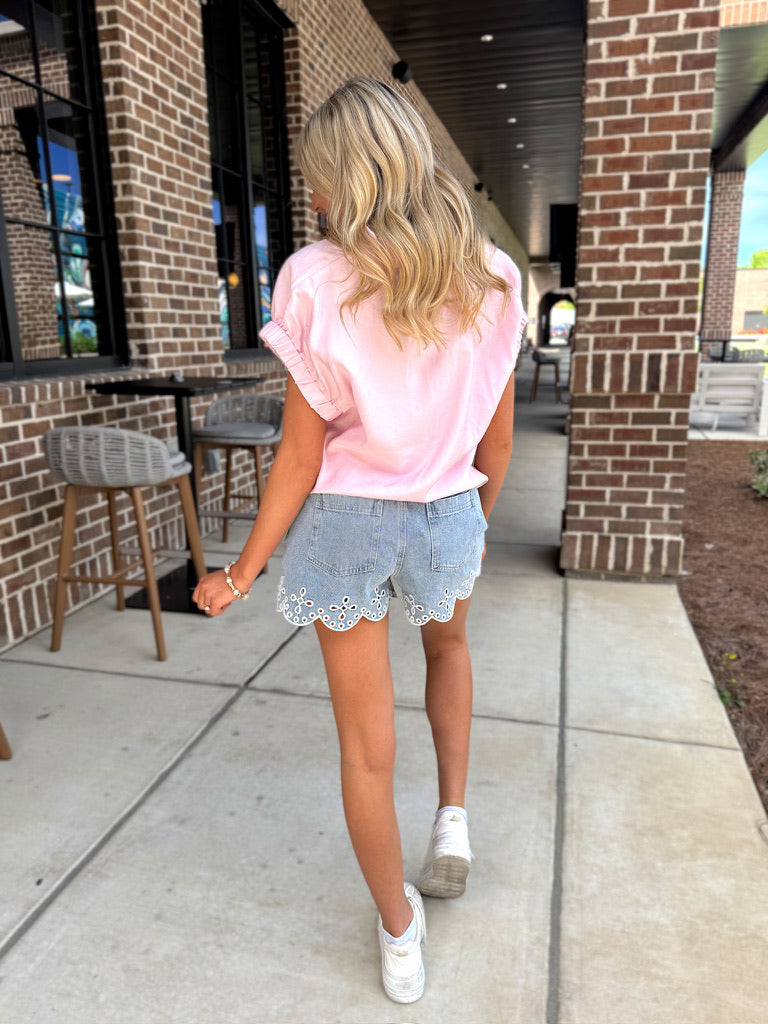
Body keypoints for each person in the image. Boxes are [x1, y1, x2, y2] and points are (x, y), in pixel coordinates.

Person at [193, 77, 526, 1004]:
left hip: (346, 524)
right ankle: (453, 817)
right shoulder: (494, 275)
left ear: (349, 175)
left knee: (365, 751)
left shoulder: (314, 277)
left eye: (318, 179)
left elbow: (302, 456)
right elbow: (497, 443)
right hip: (449, 508)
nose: (312, 198)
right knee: (449, 649)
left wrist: (240, 573)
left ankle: (399, 933)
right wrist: (470, 523)